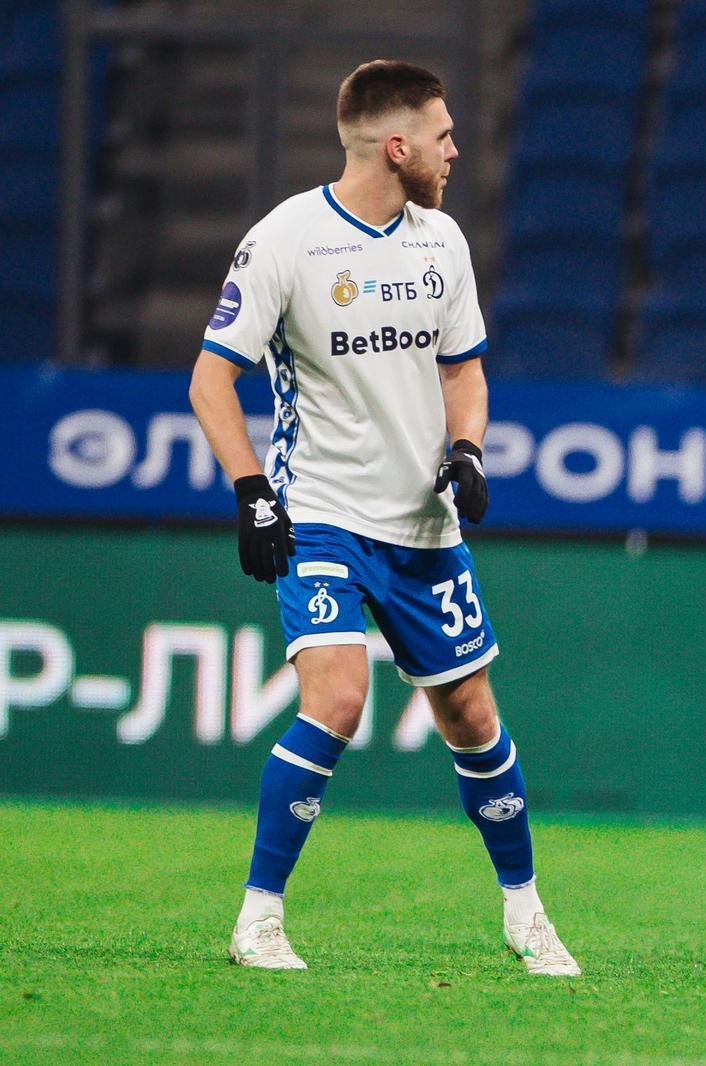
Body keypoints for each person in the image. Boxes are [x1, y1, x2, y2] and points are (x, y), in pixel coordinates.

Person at [188, 60, 579, 976]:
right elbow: (212, 378)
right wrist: (252, 492)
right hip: (319, 514)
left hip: (423, 528)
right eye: (442, 136)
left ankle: (526, 914)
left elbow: (461, 369)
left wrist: (469, 450)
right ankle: (259, 919)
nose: (454, 151)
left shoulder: (441, 242)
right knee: (337, 698)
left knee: (472, 718)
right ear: (395, 145)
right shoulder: (286, 239)